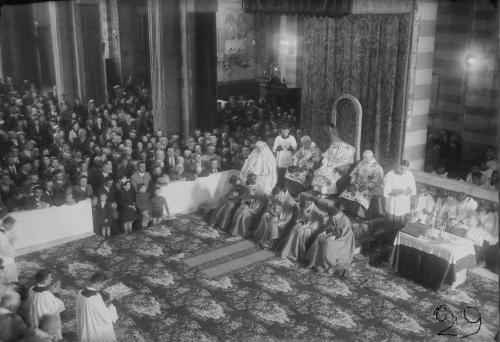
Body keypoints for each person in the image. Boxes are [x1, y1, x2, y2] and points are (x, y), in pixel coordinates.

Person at [305, 200, 355, 277]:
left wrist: (334, 237)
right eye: (331, 217)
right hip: (334, 236)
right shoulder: (332, 217)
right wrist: (324, 233)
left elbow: (344, 236)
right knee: (319, 239)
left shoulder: (345, 221)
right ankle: (315, 263)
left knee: (328, 244)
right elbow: (328, 227)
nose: (333, 218)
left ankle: (325, 266)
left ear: (338, 213)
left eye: (334, 217)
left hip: (344, 241)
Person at [312, 125, 355, 196]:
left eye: (336, 143)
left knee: (327, 173)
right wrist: (325, 163)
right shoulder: (332, 146)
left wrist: (337, 165)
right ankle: (318, 190)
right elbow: (326, 156)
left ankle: (326, 192)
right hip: (330, 164)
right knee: (319, 171)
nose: (334, 144)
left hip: (337, 166)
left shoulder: (346, 148)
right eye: (333, 143)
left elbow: (346, 161)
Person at [339, 150, 384, 218]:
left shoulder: (377, 168)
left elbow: (377, 181)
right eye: (363, 157)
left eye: (366, 158)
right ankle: (347, 211)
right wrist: (353, 181)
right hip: (357, 184)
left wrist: (367, 186)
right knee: (347, 192)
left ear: (371, 157)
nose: (364, 159)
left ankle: (359, 214)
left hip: (369, 188)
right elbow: (354, 173)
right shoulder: (361, 163)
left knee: (358, 196)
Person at [76, 273, 118, 342]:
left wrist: (110, 299)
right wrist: (112, 304)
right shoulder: (95, 299)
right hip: (93, 331)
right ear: (97, 283)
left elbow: (98, 308)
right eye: (102, 284)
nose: (102, 286)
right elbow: (106, 318)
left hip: (84, 326)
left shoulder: (80, 293)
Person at [27, 269, 65, 340]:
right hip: (45, 321)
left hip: (34, 318)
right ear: (45, 281)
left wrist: (50, 292)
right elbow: (58, 307)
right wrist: (55, 294)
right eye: (50, 277)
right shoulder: (46, 295)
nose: (51, 279)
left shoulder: (31, 289)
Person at [383, 160, 416, 228]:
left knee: (401, 219)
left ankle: (399, 231)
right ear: (397, 166)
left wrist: (409, 191)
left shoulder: (409, 174)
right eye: (401, 168)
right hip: (393, 201)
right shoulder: (390, 175)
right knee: (391, 220)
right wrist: (400, 191)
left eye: (405, 169)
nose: (403, 171)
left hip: (403, 200)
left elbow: (412, 188)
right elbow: (386, 191)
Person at [273, 124, 297, 190]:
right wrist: (280, 147)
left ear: (288, 131)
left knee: (288, 175)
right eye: (283, 131)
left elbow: (295, 149)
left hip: (289, 159)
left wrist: (289, 147)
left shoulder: (292, 138)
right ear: (281, 131)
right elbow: (274, 149)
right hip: (280, 160)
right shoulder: (278, 138)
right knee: (281, 175)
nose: (284, 133)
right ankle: (280, 188)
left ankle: (288, 189)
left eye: (286, 131)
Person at [0, 216, 17, 284]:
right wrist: (11, 242)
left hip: (6, 260)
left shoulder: (4, 232)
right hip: (5, 262)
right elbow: (5, 250)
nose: (12, 228)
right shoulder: (1, 234)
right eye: (12, 226)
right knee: (10, 282)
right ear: (7, 224)